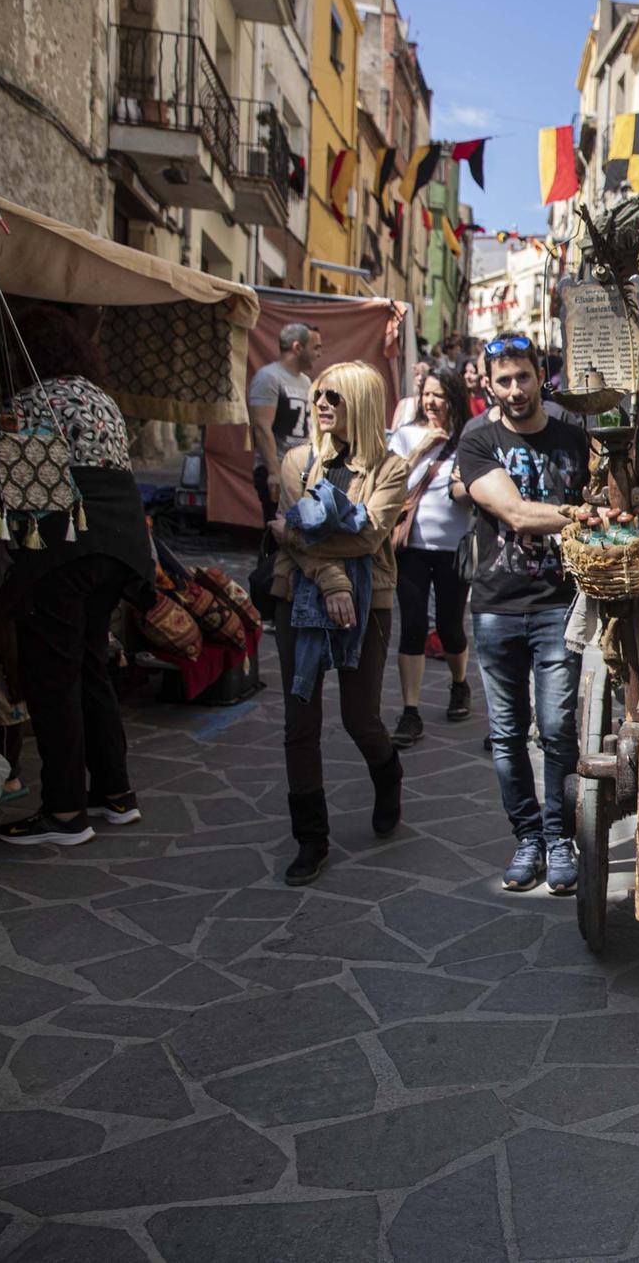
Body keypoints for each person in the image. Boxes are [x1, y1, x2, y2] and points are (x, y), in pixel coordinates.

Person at [0, 306, 156, 847]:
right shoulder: (100, 399)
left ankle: (64, 813)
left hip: (66, 547)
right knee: (89, 666)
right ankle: (115, 794)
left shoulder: (29, 402)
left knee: (53, 676)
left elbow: (26, 503)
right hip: (119, 547)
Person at [457, 332, 599, 895]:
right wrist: (578, 514)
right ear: (489, 385)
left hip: (555, 608)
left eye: (524, 377)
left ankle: (559, 837)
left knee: (560, 729)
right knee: (507, 733)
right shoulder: (478, 440)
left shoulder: (572, 437)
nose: (515, 389)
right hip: (495, 606)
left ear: (542, 376)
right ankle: (528, 838)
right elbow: (514, 513)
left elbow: (608, 495)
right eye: (504, 380)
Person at [269, 362, 409, 885]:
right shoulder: (297, 462)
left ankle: (387, 773)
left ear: (364, 404)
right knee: (299, 725)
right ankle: (311, 839)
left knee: (360, 718)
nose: (322, 403)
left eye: (336, 396)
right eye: (318, 394)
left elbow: (368, 538)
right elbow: (291, 540)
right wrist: (332, 580)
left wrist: (300, 536)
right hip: (299, 597)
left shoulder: (391, 469)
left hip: (370, 603)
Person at [388, 366, 476, 746]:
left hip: (453, 551)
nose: (431, 401)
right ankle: (411, 712)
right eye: (427, 394)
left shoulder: (468, 439)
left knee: (451, 627)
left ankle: (459, 684)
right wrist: (422, 449)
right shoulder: (407, 436)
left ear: (454, 397)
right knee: (411, 626)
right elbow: (388, 483)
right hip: (411, 549)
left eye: (439, 394)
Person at [247, 322, 322, 524]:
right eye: (315, 347)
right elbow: (262, 427)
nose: (319, 354)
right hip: (278, 468)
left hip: (299, 470)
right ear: (297, 348)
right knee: (276, 535)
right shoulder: (269, 378)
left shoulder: (306, 381)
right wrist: (273, 472)